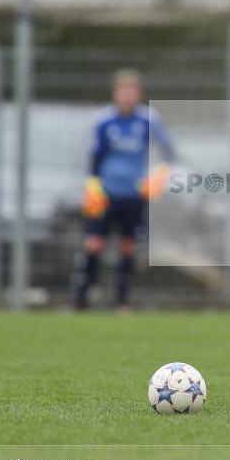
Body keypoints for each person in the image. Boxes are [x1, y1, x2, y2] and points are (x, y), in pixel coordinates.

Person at [73, 68, 175, 311]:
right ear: (115, 93)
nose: (127, 95)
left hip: (134, 194)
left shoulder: (149, 119)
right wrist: (93, 185)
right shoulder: (104, 120)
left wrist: (159, 176)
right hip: (105, 194)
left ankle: (121, 300)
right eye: (123, 90)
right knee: (94, 244)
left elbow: (168, 151)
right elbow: (94, 156)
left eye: (132, 90)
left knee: (128, 246)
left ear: (139, 94)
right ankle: (81, 298)